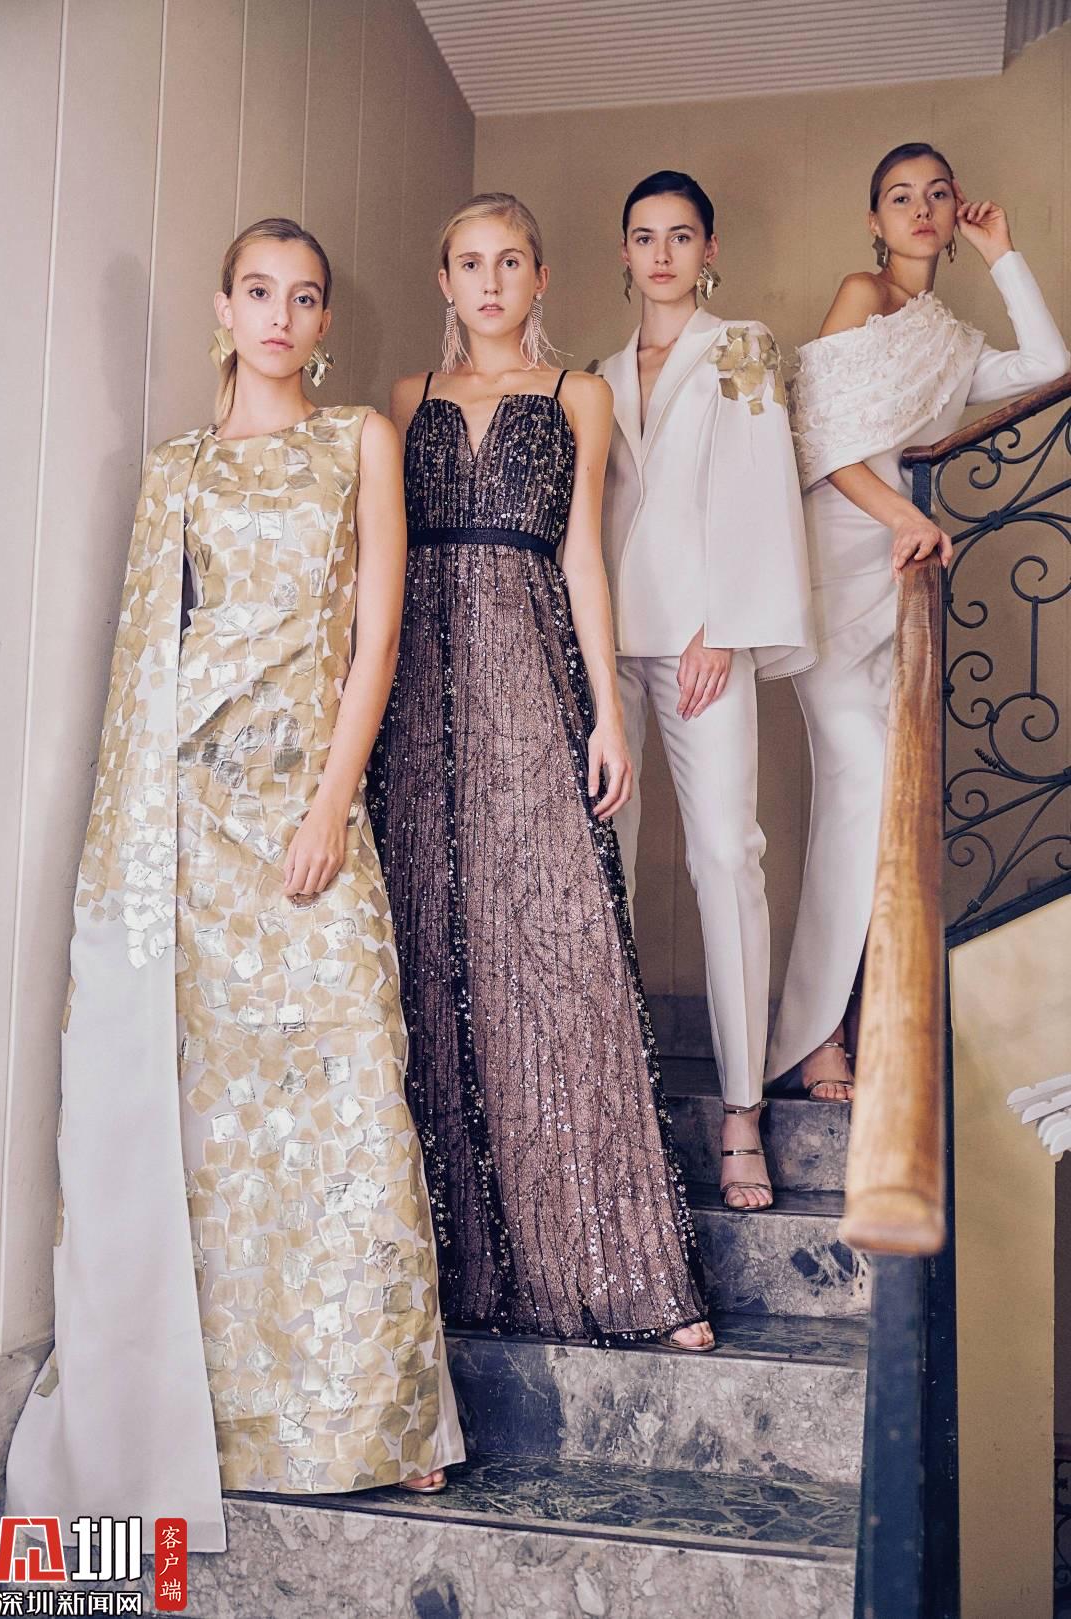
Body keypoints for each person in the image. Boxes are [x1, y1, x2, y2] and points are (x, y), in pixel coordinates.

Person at [7, 217, 464, 1553]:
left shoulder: (359, 441)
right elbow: (147, 664)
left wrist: (329, 803)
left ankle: (379, 1415)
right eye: (258, 292)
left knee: (351, 1088)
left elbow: (379, 634)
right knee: (216, 1137)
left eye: (304, 297)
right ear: (224, 308)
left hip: (306, 818)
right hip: (190, 832)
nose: (280, 315)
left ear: (324, 322)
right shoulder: (175, 470)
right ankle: (219, 1422)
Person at [369, 192, 713, 1350]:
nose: (490, 282)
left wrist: (608, 715)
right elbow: (379, 564)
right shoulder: (405, 400)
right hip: (418, 698)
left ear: (542, 275)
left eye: (510, 261)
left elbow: (583, 559)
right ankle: (455, 1268)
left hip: (532, 679)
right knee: (430, 953)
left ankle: (626, 1272)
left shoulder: (580, 396)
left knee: (563, 955)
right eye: (470, 263)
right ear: (445, 279)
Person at [768, 144, 1069, 1096]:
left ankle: (861, 1017)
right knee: (860, 787)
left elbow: (1052, 364)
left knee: (887, 807)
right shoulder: (862, 293)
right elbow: (820, 439)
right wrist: (905, 515)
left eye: (939, 193)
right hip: (841, 567)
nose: (923, 208)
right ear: (875, 220)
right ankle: (814, 1034)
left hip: (908, 582)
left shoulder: (956, 344)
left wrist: (1002, 252)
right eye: (901, 196)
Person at [597, 170, 814, 1210]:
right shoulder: (594, 375)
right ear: (624, 252)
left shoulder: (742, 347)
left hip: (701, 641)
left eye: (681, 235)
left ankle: (741, 1110)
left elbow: (762, 490)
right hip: (606, 648)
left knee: (727, 854)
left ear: (708, 248)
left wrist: (723, 625)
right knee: (605, 860)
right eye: (645, 236)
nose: (663, 254)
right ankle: (609, 1096)